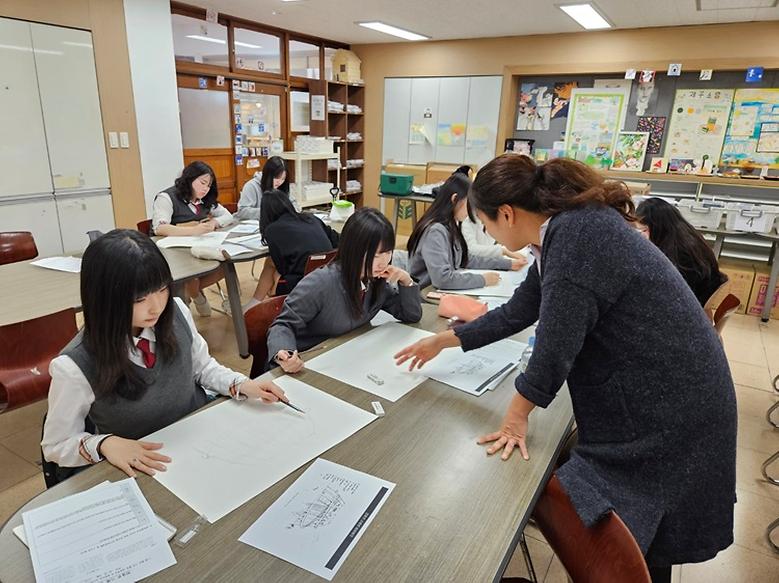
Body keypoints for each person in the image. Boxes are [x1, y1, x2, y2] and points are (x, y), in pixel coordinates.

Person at [395, 155, 736, 583]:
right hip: (670, 394)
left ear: (507, 213)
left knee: (641, 534)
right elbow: (522, 309)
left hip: (673, 410)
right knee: (640, 535)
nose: (488, 234)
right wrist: (446, 339)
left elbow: (553, 352)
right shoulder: (562, 229)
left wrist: (515, 419)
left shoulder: (577, 236)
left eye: (486, 225)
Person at [42, 230, 287, 480]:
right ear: (104, 299)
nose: (156, 307)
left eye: (161, 290)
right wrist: (104, 444)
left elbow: (202, 368)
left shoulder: (176, 311)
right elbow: (55, 445)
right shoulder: (73, 366)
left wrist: (242, 384)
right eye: (140, 299)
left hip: (201, 435)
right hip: (149, 464)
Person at [266, 208, 422, 373]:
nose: (383, 262)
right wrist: (284, 354)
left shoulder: (376, 279)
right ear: (353, 250)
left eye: (388, 252)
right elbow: (283, 325)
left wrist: (406, 280)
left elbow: (410, 315)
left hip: (350, 359)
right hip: (310, 363)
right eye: (375, 256)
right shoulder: (321, 282)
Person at [407, 168, 526, 290]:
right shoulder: (435, 231)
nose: (470, 212)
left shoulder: (452, 225)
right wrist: (483, 280)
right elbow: (442, 279)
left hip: (439, 292)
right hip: (425, 295)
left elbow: (464, 259)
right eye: (468, 205)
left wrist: (506, 264)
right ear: (454, 199)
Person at [152, 161, 233, 316]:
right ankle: (195, 295)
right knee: (191, 274)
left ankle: (193, 292)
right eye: (202, 183)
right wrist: (193, 230)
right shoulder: (167, 197)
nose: (205, 189)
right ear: (189, 179)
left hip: (199, 247)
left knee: (227, 265)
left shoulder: (205, 200)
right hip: (172, 252)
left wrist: (214, 222)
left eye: (208, 185)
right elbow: (160, 228)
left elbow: (227, 215)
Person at [243, 189, 340, 313]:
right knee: (271, 263)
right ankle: (255, 303)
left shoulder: (272, 230)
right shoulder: (310, 218)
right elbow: (336, 240)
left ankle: (255, 304)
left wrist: (277, 278)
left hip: (301, 282)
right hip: (328, 274)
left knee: (272, 268)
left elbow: (282, 267)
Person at [635, 197, 727, 306]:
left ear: (658, 227)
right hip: (696, 300)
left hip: (687, 306)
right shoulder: (684, 234)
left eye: (644, 230)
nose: (643, 235)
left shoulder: (679, 253)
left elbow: (668, 289)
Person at [236, 156, 301, 220]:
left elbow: (295, 204)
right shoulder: (251, 186)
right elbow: (242, 211)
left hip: (278, 224)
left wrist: (291, 211)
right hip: (256, 225)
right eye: (276, 178)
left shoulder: (283, 185)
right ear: (268, 175)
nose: (279, 182)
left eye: (283, 179)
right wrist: (270, 211)